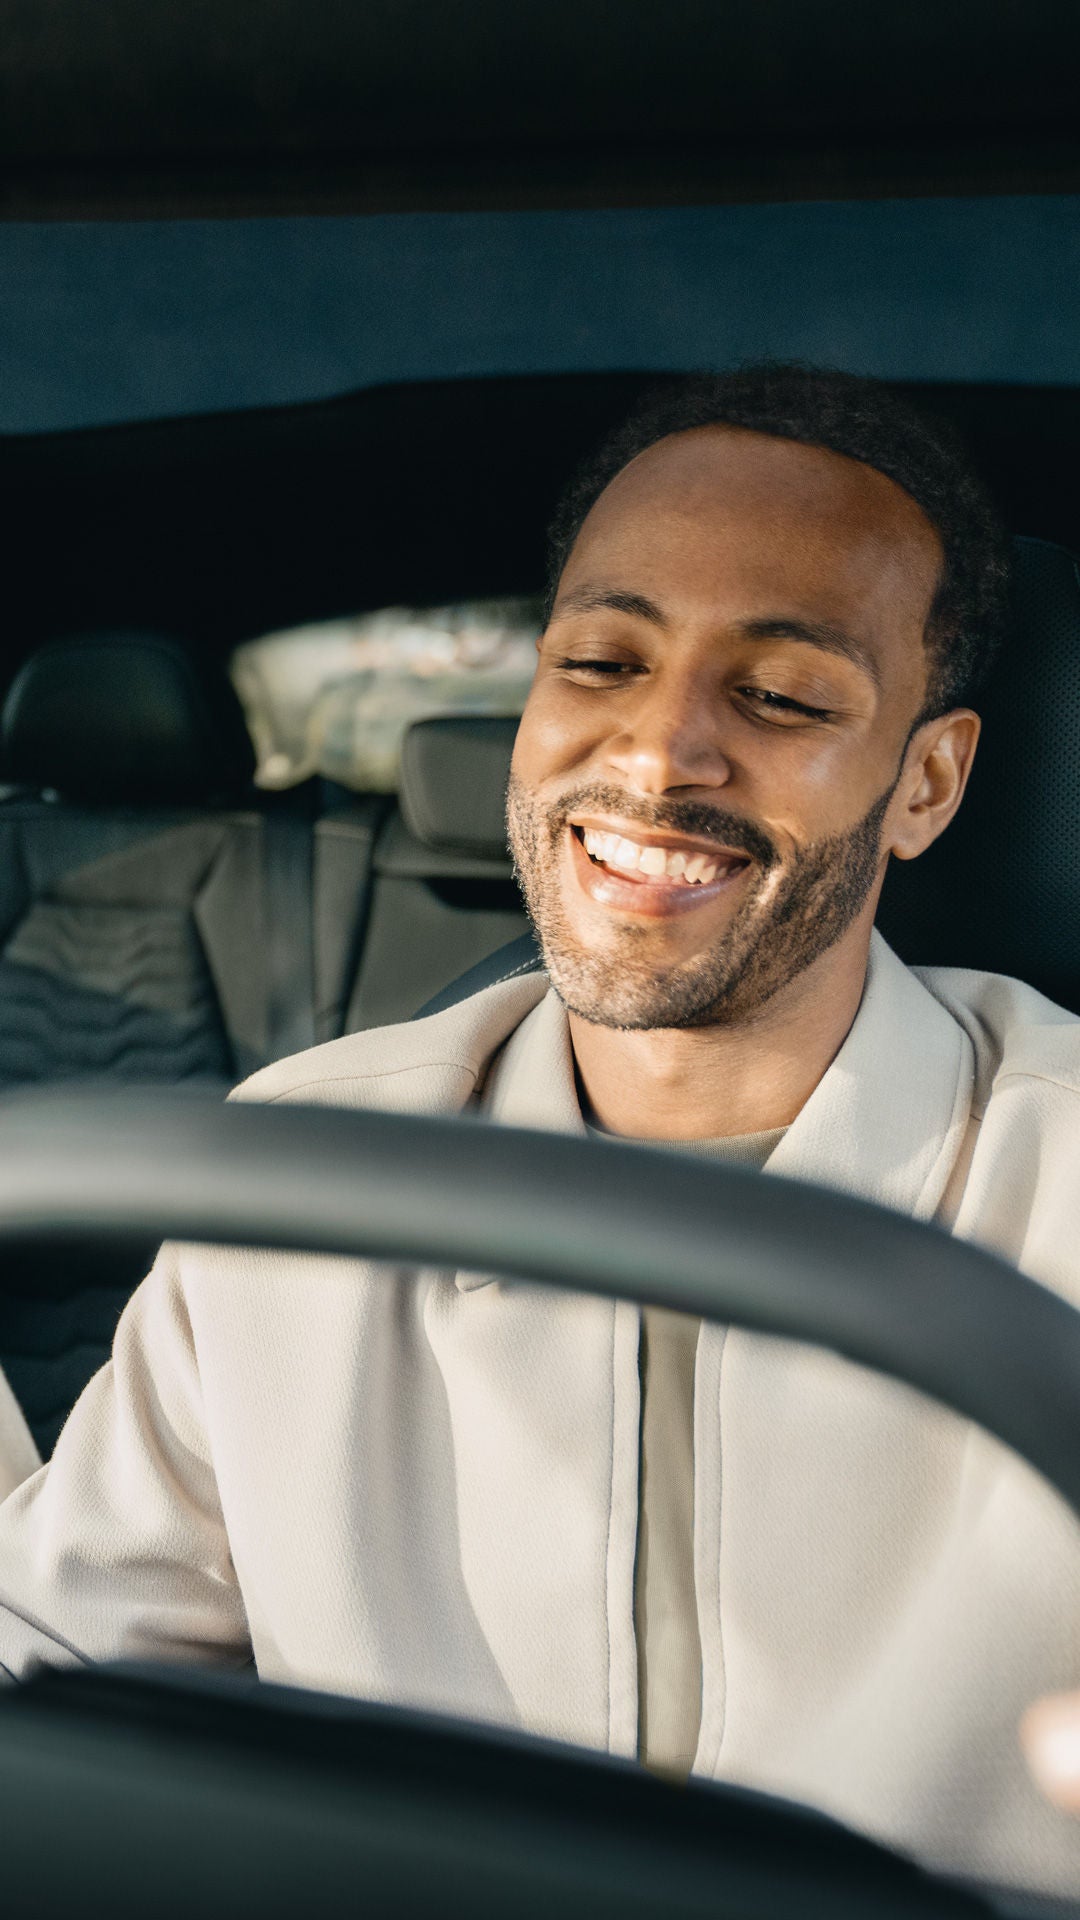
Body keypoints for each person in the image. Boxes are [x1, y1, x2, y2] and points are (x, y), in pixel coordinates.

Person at [1, 363, 1079, 1897]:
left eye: (778, 695)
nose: (656, 753)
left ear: (928, 783)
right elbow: (54, 1678)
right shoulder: (299, 1177)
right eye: (600, 662)